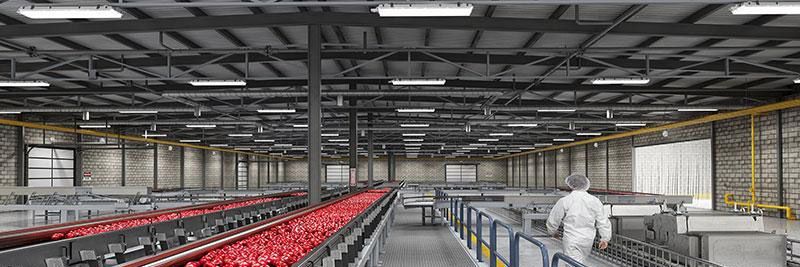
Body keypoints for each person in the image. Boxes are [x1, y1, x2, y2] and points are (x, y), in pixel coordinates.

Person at [546, 174, 612, 263]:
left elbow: (554, 218)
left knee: (573, 263)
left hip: (571, 238)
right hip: (587, 239)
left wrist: (552, 231)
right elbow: (603, 220)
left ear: (570, 185)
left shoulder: (565, 200)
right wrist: (605, 238)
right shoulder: (595, 201)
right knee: (579, 261)